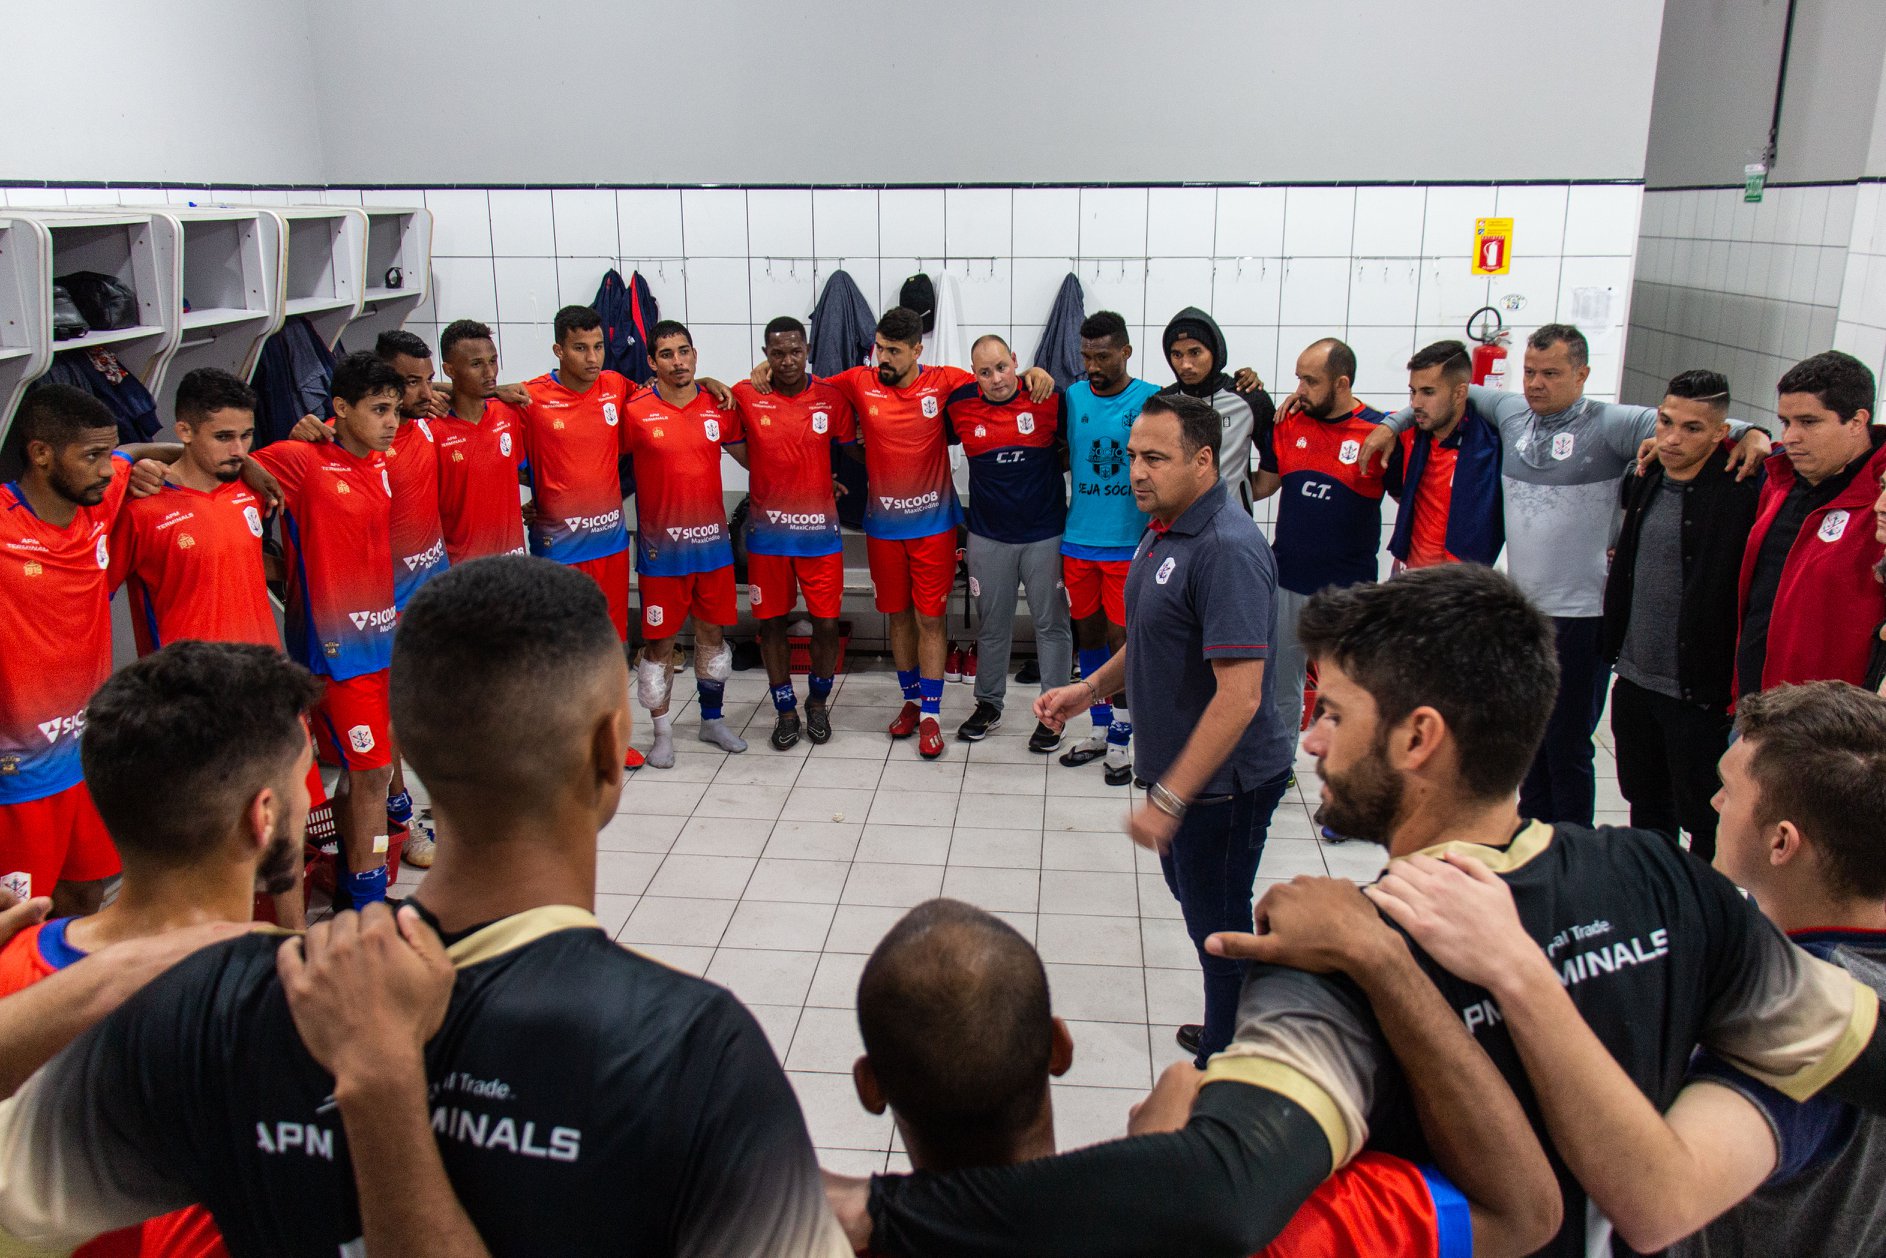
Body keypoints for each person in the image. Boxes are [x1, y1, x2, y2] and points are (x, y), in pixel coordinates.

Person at [855, 563, 1886, 1258]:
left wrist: (878, 1210)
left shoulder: (1334, 955)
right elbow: (1859, 1052)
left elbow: (1221, 1191)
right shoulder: (1669, 881)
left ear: (1417, 737)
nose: (1309, 739)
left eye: (1332, 713)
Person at [0, 556, 851, 1257]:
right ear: (608, 750)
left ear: (407, 745)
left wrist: (124, 964)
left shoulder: (219, 1006)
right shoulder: (690, 1049)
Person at [1367, 680, 1886, 1257]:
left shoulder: (1801, 1021)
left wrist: (1515, 967)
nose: (1715, 804)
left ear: (1782, 842)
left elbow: (1661, 1201)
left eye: (1729, 790)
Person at [834, 897, 1560, 1258]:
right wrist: (1384, 961)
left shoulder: (816, 1237)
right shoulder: (1275, 1224)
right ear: (1059, 1048)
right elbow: (1523, 1215)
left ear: (871, 1086)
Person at [1360, 324, 1770, 826]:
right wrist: (1391, 425)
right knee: (1529, 738)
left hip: (1582, 616)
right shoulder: (1511, 412)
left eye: (1551, 373)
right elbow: (1449, 392)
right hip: (1525, 616)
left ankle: (1571, 844)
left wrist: (1753, 432)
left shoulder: (1610, 424)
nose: (1536, 383)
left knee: (1567, 745)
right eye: (1530, 371)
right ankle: (1535, 840)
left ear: (1582, 374)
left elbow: (1694, 421)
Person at [0, 640, 319, 1258]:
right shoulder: (291, 1015)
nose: (308, 800)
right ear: (262, 815)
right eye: (302, 780)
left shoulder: (11, 967)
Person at [1035, 393, 1293, 1064]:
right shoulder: (1164, 528)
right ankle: (1230, 1022)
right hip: (1183, 779)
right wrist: (1089, 689)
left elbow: (1240, 697)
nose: (1137, 472)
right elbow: (1152, 636)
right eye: (1133, 456)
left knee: (1218, 924)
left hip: (1224, 784)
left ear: (1204, 460)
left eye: (1155, 458)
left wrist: (1172, 797)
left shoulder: (1225, 549)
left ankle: (1229, 1059)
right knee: (1203, 907)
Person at [748, 307, 1054, 759]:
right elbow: (806, 384)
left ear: (916, 350)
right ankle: (911, 702)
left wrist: (1032, 373)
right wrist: (765, 368)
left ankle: (931, 715)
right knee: (898, 617)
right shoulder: (858, 381)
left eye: (893, 351)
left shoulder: (945, 381)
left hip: (934, 526)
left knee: (930, 618)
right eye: (879, 348)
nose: (883, 358)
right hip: (883, 528)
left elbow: (995, 380)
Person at [109, 367, 320, 925]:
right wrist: (133, 462)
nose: (238, 449)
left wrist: (249, 463)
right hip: (195, 706)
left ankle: (295, 939)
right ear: (183, 430)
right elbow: (92, 588)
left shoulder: (249, 489)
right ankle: (222, 954)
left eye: (246, 435)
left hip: (269, 691)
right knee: (216, 846)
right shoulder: (142, 508)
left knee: (286, 829)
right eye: (223, 437)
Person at [0, 385, 177, 915]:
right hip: (20, 773)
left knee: (85, 894)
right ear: (41, 453)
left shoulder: (98, 500)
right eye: (91, 456)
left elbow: (136, 452)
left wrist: (247, 467)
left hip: (87, 754)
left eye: (106, 454)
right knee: (19, 918)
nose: (105, 469)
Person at [249, 352, 403, 909]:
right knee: (373, 773)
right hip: (334, 654)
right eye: (379, 409)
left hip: (379, 644)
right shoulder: (302, 460)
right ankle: (367, 902)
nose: (391, 421)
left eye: (395, 410)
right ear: (340, 407)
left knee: (364, 776)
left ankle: (354, 886)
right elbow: (230, 462)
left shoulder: (379, 462)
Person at [294, 330, 449, 864]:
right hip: (362, 631)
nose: (419, 395)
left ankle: (394, 833)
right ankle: (393, 831)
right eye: (408, 385)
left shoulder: (415, 427)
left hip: (418, 607)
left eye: (426, 382)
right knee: (376, 756)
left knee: (409, 724)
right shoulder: (322, 453)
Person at [1601, 369, 1759, 861]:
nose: (1671, 438)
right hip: (1634, 678)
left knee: (1704, 818)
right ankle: (1656, 894)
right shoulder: (1646, 475)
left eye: (1692, 428)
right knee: (1646, 805)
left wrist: (1757, 435)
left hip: (1697, 692)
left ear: (1720, 432)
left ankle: (1702, 902)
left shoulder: (1741, 489)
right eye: (1666, 422)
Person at [620, 320, 749, 765]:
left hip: (713, 549)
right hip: (662, 554)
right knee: (659, 648)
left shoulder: (718, 404)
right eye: (667, 354)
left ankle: (712, 720)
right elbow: (599, 459)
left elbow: (755, 459)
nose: (678, 361)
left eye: (684, 351)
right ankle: (662, 735)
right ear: (652, 361)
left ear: (695, 354)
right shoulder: (634, 409)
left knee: (713, 639)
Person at [728, 317, 856, 751]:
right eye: (777, 353)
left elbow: (849, 448)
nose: (787, 361)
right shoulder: (746, 395)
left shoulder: (830, 398)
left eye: (795, 351)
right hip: (768, 539)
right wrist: (771, 473)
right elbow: (719, 417)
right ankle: (785, 711)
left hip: (820, 536)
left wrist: (823, 478)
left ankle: (817, 704)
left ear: (807, 351)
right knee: (771, 625)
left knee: (826, 624)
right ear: (765, 355)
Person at [943, 334, 1071, 749]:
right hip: (988, 536)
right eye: (985, 372)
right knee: (993, 626)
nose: (996, 379)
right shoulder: (959, 405)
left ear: (1015, 361)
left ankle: (1053, 713)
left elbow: (1077, 445)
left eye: (1002, 367)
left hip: (1045, 534)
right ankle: (988, 704)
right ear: (973, 374)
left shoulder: (1048, 398)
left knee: (1051, 625)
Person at [1736, 350, 1886, 697]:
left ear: (1857, 421)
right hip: (1755, 702)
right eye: (1786, 422)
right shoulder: (1779, 477)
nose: (1791, 436)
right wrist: (1748, 432)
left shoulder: (1878, 502)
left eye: (1808, 422)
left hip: (1829, 720)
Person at [1256, 337, 1386, 734]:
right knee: (1280, 687)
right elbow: (1264, 485)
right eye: (1298, 379)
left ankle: (1346, 766)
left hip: (1349, 589)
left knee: (1345, 692)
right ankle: (1280, 763)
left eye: (1310, 381)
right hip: (1288, 579)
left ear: (1342, 383)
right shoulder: (1289, 423)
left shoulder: (1377, 431)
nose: (1300, 390)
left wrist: (1396, 425)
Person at [1058, 311, 1159, 784]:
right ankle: (1099, 730)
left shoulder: (1151, 399)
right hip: (1079, 539)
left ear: (1125, 352)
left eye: (1102, 356)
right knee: (1090, 638)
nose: (1092, 366)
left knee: (1124, 643)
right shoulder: (1074, 396)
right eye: (1086, 357)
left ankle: (1123, 739)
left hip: (1127, 543)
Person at [1383, 340, 1503, 570]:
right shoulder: (1407, 434)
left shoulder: (1490, 448)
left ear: (1459, 393)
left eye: (1428, 392)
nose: (1415, 403)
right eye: (1413, 391)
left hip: (1460, 581)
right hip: (1409, 573)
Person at [1157, 306, 1273, 514]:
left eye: (1195, 352)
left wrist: (1240, 494)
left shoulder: (1249, 398)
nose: (1185, 364)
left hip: (1231, 523)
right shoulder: (1162, 403)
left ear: (1215, 351)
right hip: (1175, 522)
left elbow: (1273, 467)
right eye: (1177, 354)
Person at [434, 319, 527, 565]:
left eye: (492, 361)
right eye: (476, 364)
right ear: (450, 369)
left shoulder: (508, 413)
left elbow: (520, 472)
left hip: (513, 561)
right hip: (462, 568)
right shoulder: (432, 430)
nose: (489, 373)